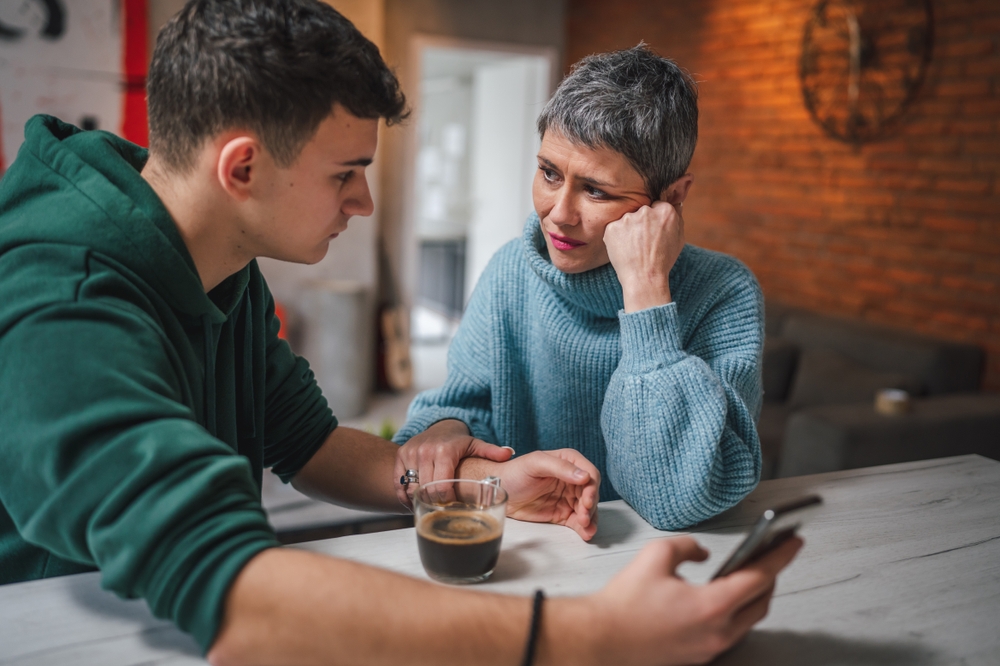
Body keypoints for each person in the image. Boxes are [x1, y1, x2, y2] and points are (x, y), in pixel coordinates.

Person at [0, 2, 799, 663]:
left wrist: (480, 486)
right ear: (241, 170)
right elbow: (235, 588)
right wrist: (588, 638)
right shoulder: (63, 300)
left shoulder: (218, 263)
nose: (365, 205)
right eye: (345, 173)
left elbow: (307, 443)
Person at [394, 45, 764, 531]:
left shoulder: (725, 294)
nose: (558, 213)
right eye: (549, 173)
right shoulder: (511, 271)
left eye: (596, 190)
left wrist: (647, 292)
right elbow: (458, 410)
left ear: (671, 198)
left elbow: (679, 499)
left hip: (663, 571)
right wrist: (447, 427)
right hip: (527, 552)